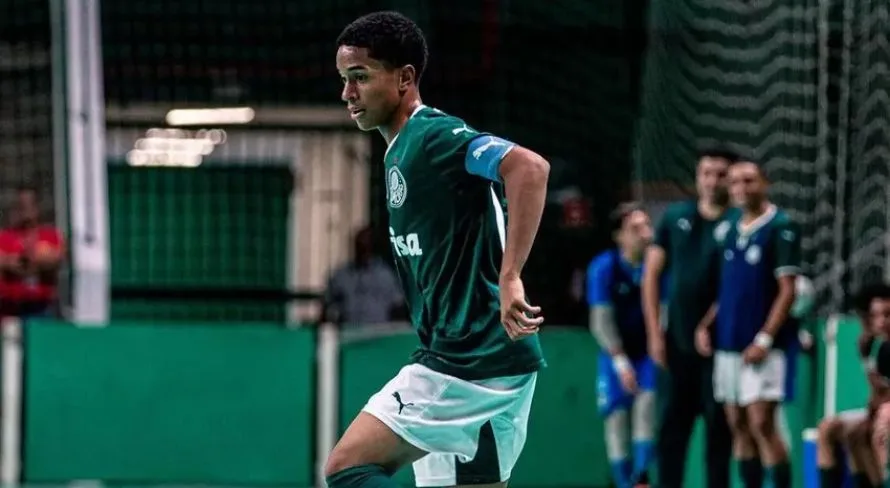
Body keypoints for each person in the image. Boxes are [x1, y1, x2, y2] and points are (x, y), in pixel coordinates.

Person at [325, 11, 551, 488]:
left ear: (405, 78)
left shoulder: (431, 136)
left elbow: (528, 169)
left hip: (469, 358)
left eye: (360, 77)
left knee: (346, 468)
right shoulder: (398, 151)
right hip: (494, 359)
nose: (348, 94)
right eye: (345, 80)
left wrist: (511, 276)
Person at [695, 159, 801, 488]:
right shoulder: (728, 229)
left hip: (764, 347)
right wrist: (706, 324)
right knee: (737, 423)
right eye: (736, 182)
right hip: (727, 343)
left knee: (762, 423)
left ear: (765, 183)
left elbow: (788, 290)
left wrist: (765, 339)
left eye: (749, 181)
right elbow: (728, 290)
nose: (741, 188)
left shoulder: (780, 227)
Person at [641, 148, 738, 488]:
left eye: (720, 174)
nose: (712, 181)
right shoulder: (673, 219)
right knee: (670, 433)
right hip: (675, 345)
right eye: (706, 173)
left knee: (719, 434)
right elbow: (651, 276)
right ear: (697, 177)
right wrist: (655, 335)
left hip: (722, 348)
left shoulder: (739, 224)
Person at [586, 203, 658, 488]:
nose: (644, 234)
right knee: (616, 419)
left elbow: (663, 311)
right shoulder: (604, 267)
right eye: (635, 228)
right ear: (619, 236)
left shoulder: (659, 263)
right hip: (616, 355)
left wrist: (658, 349)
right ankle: (623, 482)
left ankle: (642, 478)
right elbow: (600, 321)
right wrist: (621, 363)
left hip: (651, 354)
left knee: (647, 408)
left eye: (646, 226)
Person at [817, 283, 890, 488]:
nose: (882, 321)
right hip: (877, 409)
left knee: (874, 428)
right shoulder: (869, 345)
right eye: (876, 315)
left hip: (885, 412)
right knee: (828, 429)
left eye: (887, 315)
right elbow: (876, 389)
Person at [0, 185, 65, 318]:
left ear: (37, 208)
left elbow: (54, 260)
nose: (25, 210)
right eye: (21, 206)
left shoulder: (50, 235)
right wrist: (12, 262)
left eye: (29, 205)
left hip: (41, 307)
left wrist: (21, 262)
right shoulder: (5, 237)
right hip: (10, 308)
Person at [322, 226, 405, 326]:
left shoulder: (385, 275)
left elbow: (398, 307)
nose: (363, 251)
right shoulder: (341, 276)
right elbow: (326, 305)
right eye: (360, 247)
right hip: (348, 333)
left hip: (378, 334)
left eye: (366, 247)